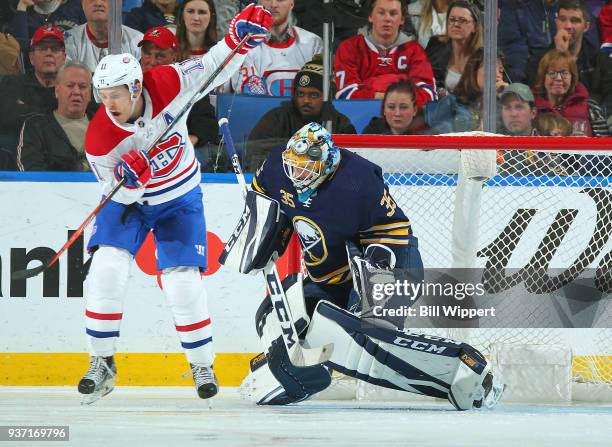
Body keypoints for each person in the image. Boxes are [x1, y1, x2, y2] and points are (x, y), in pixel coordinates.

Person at [224, 122, 503, 410]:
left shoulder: (358, 181)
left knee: (369, 335)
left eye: (306, 169)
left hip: (391, 261)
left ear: (327, 164)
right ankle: (300, 379)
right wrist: (264, 239)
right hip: (331, 279)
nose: (297, 175)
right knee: (273, 314)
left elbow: (389, 235)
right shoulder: (276, 168)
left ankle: (466, 370)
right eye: (294, 167)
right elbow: (266, 209)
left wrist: (371, 285)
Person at [77, 3, 272, 403]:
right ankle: (102, 362)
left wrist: (238, 40)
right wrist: (130, 183)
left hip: (179, 198)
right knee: (105, 269)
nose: (109, 104)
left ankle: (201, 362)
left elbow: (215, 65)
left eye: (116, 94)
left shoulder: (167, 81)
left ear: (135, 88)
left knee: (183, 282)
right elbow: (118, 193)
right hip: (129, 203)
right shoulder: (99, 139)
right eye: (103, 95)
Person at [246, 55, 356, 171]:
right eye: (300, 94)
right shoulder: (276, 119)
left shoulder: (341, 124)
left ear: (327, 97)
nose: (306, 100)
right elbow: (254, 155)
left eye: (314, 95)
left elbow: (350, 166)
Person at [138, 25, 221, 170]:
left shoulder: (189, 81)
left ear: (173, 57)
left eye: (159, 56)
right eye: (147, 53)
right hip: (136, 156)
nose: (151, 61)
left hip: (176, 156)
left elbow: (207, 124)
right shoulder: (129, 81)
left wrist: (182, 148)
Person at [334, 0, 436, 107]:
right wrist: (394, 97)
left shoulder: (415, 51)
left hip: (406, 120)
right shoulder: (349, 48)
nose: (387, 19)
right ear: (370, 16)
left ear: (402, 19)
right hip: (361, 119)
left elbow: (428, 94)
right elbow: (345, 95)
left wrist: (373, 91)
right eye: (381, 13)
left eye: (393, 13)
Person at [525, 0, 612, 116]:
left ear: (586, 26)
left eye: (575, 21)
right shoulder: (538, 61)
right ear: (556, 22)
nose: (567, 26)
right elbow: (536, 95)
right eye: (562, 19)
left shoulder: (601, 62)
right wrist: (559, 54)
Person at [226, 0, 322, 96]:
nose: (273, 5)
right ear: (259, 3)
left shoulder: (313, 43)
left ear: (292, 4)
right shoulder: (244, 45)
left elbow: (319, 95)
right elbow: (252, 101)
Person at [16, 60, 93, 171]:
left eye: (82, 87)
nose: (76, 91)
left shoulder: (105, 127)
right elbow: (30, 172)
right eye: (70, 86)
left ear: (90, 94)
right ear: (57, 91)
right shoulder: (35, 127)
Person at [0, 25, 66, 152]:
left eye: (55, 49)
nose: (49, 53)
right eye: (42, 48)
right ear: (31, 57)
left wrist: (26, 109)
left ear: (64, 58)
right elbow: (7, 117)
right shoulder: (12, 84)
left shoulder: (72, 88)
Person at [424, 48, 508, 134]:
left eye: (500, 71)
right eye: (491, 69)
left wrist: (506, 101)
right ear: (474, 71)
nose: (497, 75)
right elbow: (436, 137)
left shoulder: (502, 106)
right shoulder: (452, 103)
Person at [64, 0, 143, 72]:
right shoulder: (67, 41)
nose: (98, 3)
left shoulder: (138, 41)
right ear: (82, 3)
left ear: (119, 3)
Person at [425, 0, 483, 95]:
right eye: (452, 19)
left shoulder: (484, 57)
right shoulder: (435, 45)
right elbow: (422, 79)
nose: (456, 24)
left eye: (462, 20)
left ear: (475, 27)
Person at [532, 49, 592, 136]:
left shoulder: (590, 106)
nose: (559, 78)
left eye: (564, 73)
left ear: (572, 78)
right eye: (552, 73)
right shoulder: (531, 107)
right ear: (543, 77)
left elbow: (604, 142)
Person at [8, 0, 85, 65]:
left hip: (77, 66)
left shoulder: (76, 5)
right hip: (43, 70)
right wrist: (22, 6)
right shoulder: (25, 15)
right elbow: (21, 53)